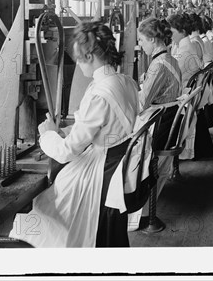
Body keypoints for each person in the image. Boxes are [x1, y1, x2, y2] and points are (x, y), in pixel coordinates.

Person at [9, 21, 139, 247]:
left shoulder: (99, 93)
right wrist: (67, 131)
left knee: (48, 204)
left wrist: (49, 135)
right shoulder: (125, 81)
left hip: (101, 170)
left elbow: (66, 152)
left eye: (78, 59)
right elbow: (102, 125)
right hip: (118, 160)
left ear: (89, 56)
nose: (78, 65)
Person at [131, 16, 182, 231]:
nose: (140, 45)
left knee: (122, 141)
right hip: (169, 119)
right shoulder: (169, 59)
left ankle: (134, 207)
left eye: (141, 40)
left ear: (152, 39)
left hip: (161, 124)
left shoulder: (158, 65)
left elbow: (142, 103)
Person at [168, 13, 203, 91]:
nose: (170, 36)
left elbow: (171, 76)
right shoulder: (186, 45)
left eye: (172, 33)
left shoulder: (184, 51)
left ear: (183, 32)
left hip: (182, 94)